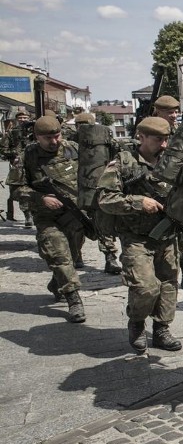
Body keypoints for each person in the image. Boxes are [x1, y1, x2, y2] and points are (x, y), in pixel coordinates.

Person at [97, 116, 182, 353]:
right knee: (145, 286)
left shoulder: (173, 161)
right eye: (158, 139)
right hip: (136, 236)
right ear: (141, 137)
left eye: (167, 139)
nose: (164, 145)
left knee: (168, 285)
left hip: (168, 235)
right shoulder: (123, 162)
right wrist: (137, 202)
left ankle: (162, 329)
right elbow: (105, 199)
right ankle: (136, 323)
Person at [9, 115, 87, 322]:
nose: (54, 142)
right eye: (48, 138)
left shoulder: (73, 149)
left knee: (70, 254)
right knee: (58, 253)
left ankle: (57, 282)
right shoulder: (27, 156)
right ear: (37, 136)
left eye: (57, 136)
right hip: (46, 216)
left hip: (74, 215)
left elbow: (90, 174)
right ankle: (74, 299)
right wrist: (41, 198)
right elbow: (16, 189)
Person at [151, 95, 183, 291]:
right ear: (158, 111)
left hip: (178, 189)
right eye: (169, 112)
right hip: (155, 189)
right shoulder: (150, 128)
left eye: (175, 111)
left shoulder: (180, 132)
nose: (174, 115)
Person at [70, 112, 123, 275]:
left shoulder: (106, 142)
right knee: (76, 226)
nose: (83, 128)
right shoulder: (70, 143)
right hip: (74, 189)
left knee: (103, 223)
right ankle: (75, 254)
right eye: (80, 125)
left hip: (98, 186)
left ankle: (110, 257)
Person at [2, 111, 35, 227]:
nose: (22, 119)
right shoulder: (12, 133)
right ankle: (27, 215)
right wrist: (16, 154)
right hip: (18, 167)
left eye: (25, 117)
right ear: (16, 119)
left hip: (35, 165)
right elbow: (3, 150)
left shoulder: (36, 131)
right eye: (20, 117)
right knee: (19, 191)